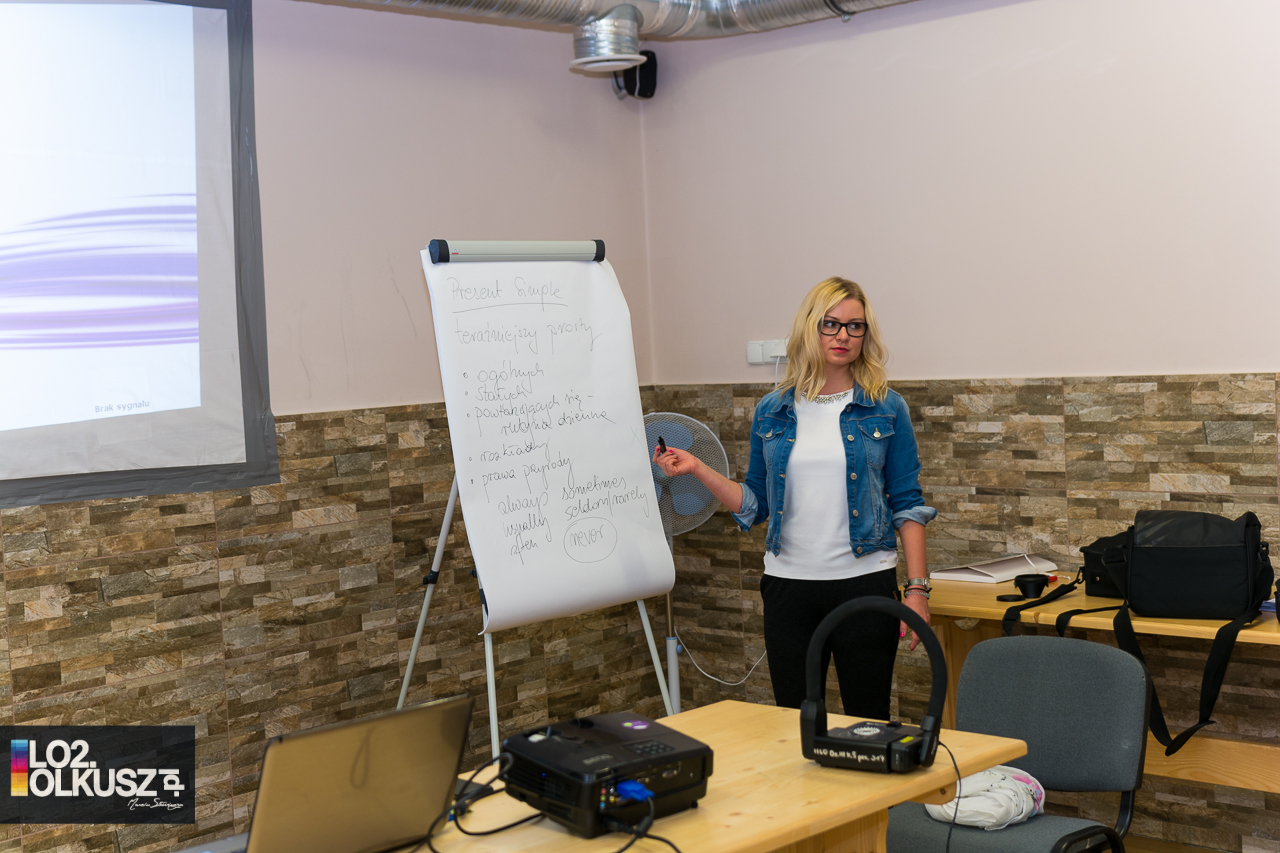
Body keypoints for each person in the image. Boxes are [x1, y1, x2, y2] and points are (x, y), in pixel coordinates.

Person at [652, 277, 935, 719]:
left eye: (855, 326)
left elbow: (908, 503)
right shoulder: (772, 410)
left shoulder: (885, 406)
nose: (843, 336)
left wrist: (917, 590)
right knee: (795, 723)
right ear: (810, 327)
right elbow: (756, 504)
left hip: (865, 583)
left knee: (869, 720)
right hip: (788, 588)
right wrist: (698, 469)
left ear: (866, 334)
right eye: (830, 324)